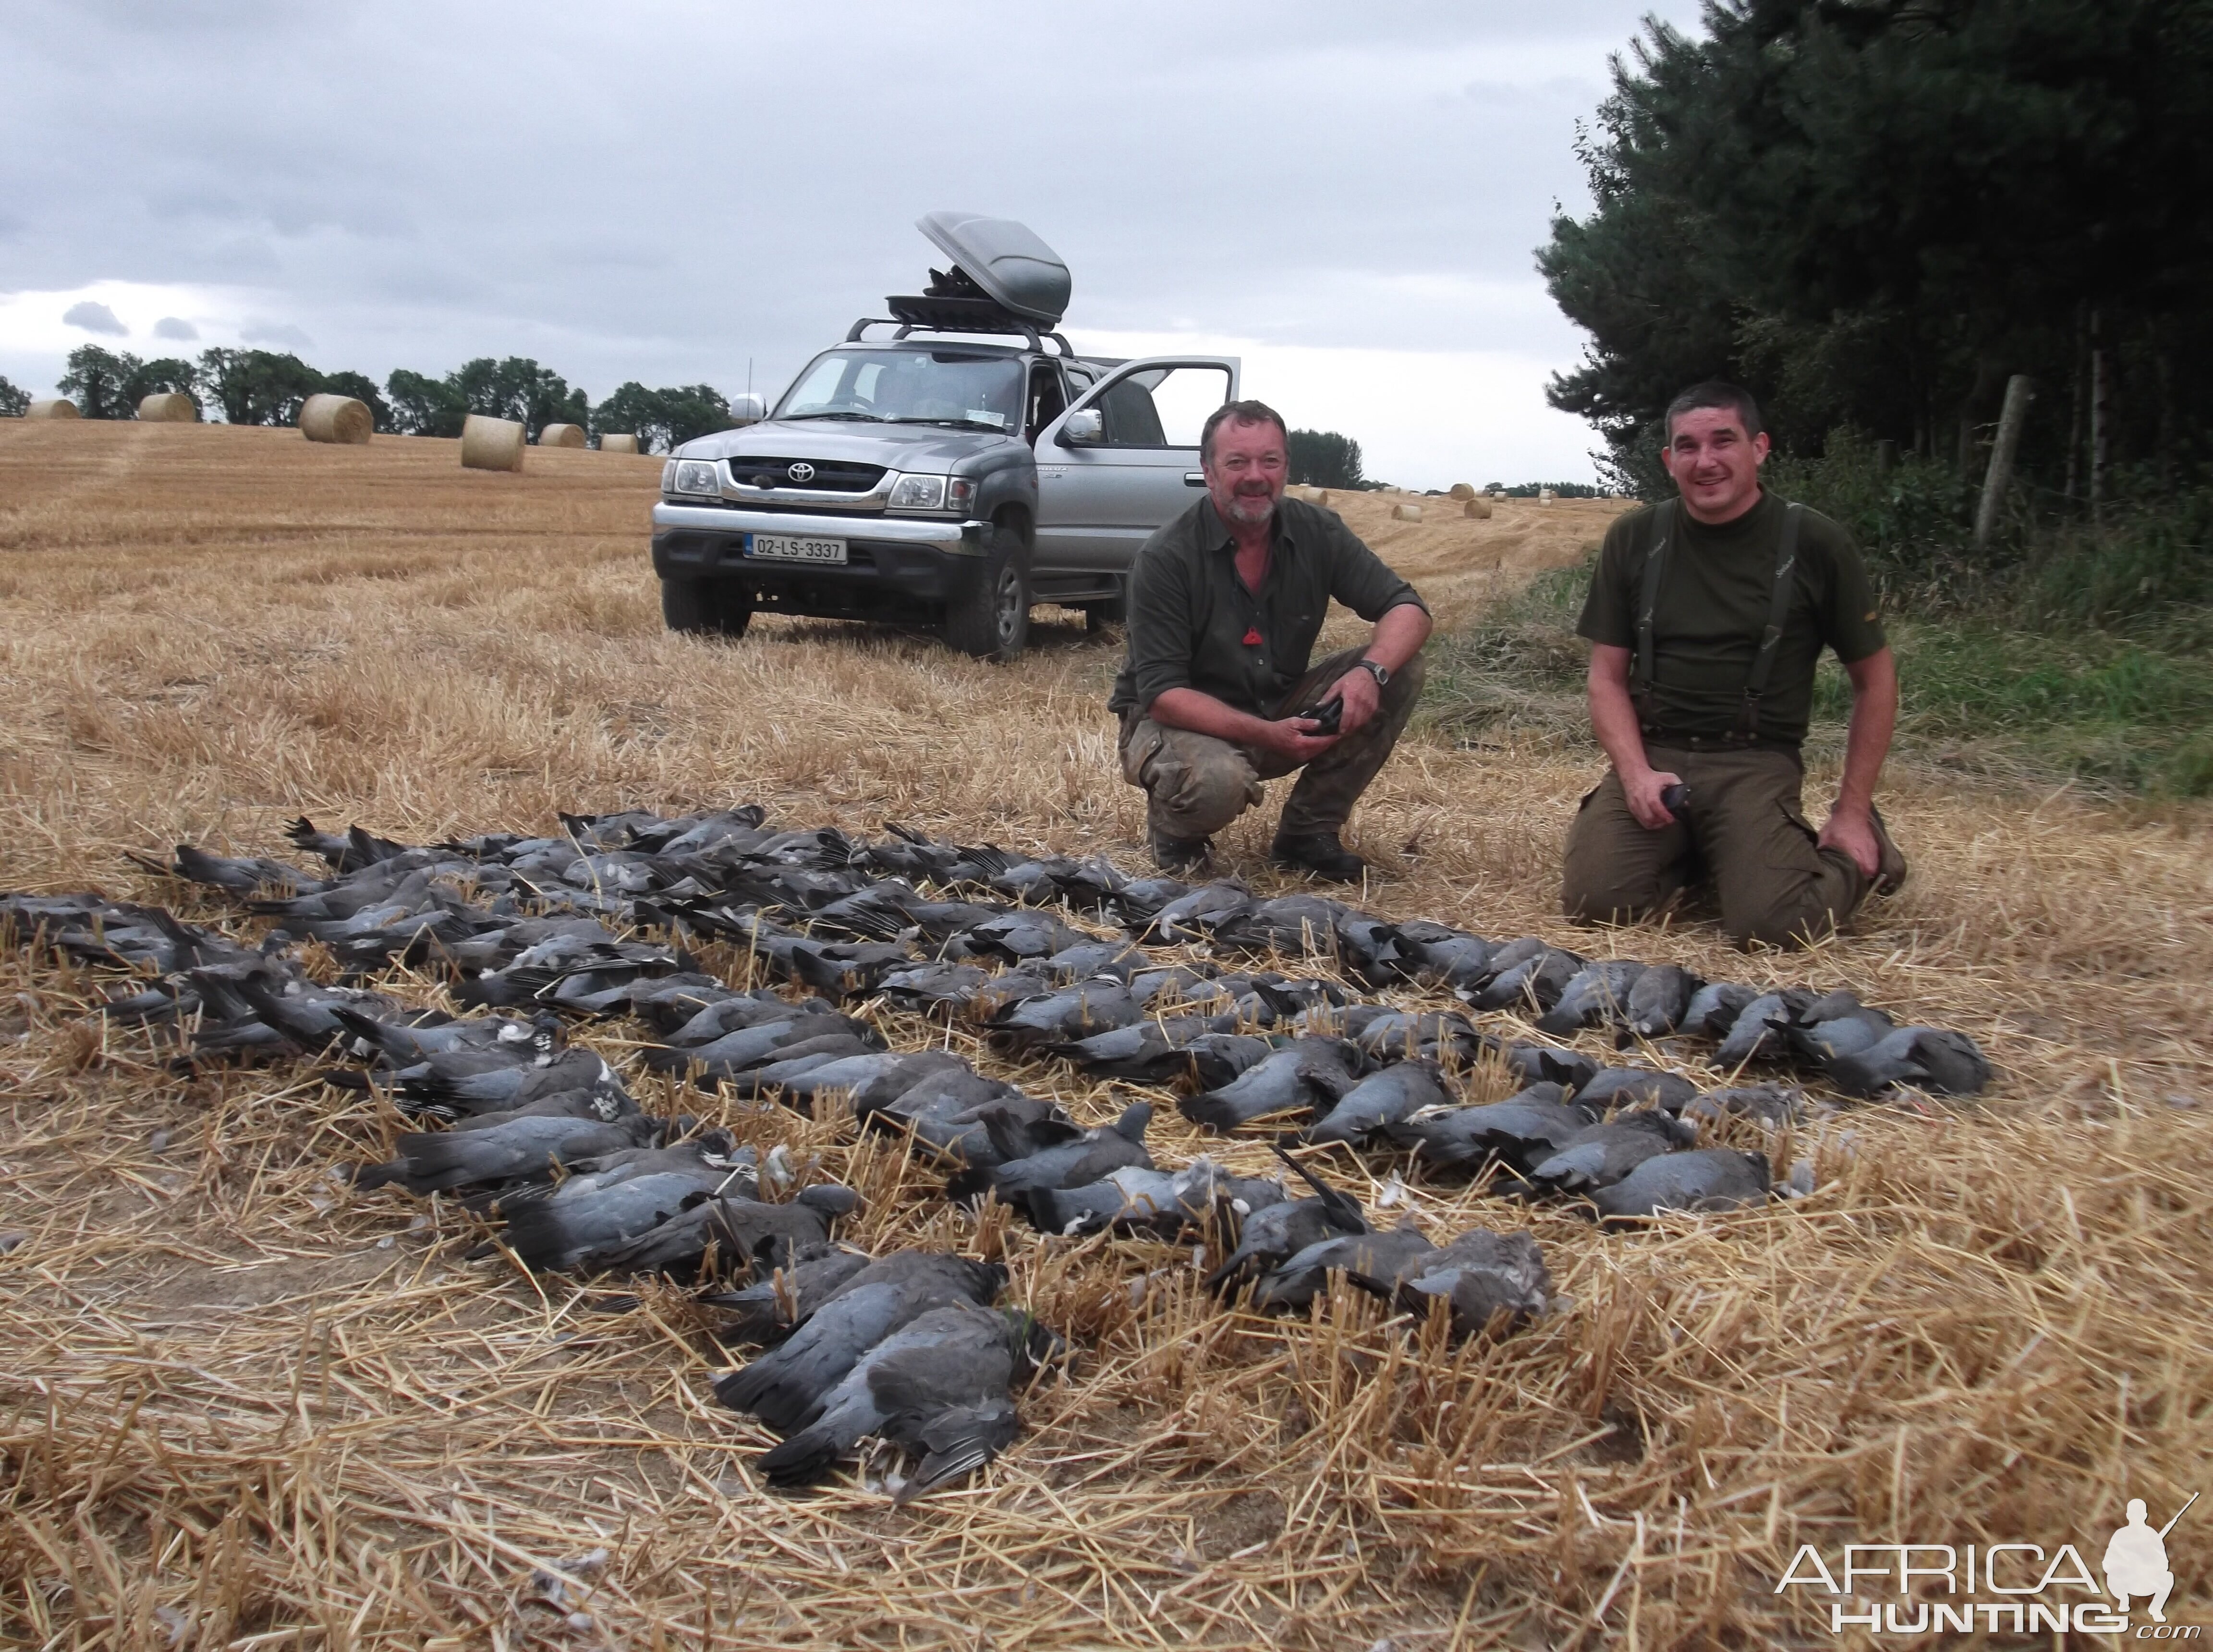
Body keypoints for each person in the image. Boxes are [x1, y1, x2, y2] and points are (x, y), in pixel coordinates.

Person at [1561, 381, 1906, 947]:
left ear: (1760, 448)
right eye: (1688, 447)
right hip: (1658, 755)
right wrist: (1635, 774)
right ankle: (1710, 851)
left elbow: (1875, 680)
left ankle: (1860, 850)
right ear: (1670, 460)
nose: (1706, 461)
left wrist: (1851, 807)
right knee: (1597, 905)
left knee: (1774, 928)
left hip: (1754, 761)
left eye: (1724, 441)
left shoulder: (1817, 542)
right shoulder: (1635, 537)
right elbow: (1605, 678)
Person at [1108, 400, 1433, 882]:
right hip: (1175, 722)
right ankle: (1177, 831)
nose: (1255, 476)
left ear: (1286, 468)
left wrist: (1369, 674)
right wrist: (1268, 735)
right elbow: (1163, 695)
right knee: (1219, 782)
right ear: (1208, 470)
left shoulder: (1317, 531)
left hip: (1274, 706)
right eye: (1237, 462)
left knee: (1399, 668)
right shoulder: (1166, 557)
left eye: (1270, 461)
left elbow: (1408, 609)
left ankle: (1308, 834)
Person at [2103, 1499, 2175, 1623]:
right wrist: (2126, 1564)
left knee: (2168, 1578)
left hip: (2147, 1581)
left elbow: (2164, 1563)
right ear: (2128, 1515)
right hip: (2125, 1581)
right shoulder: (2120, 1535)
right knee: (2112, 1578)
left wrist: (2149, 1566)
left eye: (2139, 1514)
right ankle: (2124, 1601)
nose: (2136, 1517)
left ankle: (2156, 1609)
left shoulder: (2152, 1535)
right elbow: (2107, 1564)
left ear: (2145, 1516)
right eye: (2133, 1513)